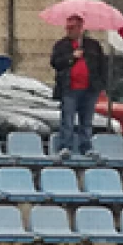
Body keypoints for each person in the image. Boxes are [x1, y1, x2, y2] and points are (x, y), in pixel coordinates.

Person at [48, 14, 107, 160]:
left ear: (81, 28)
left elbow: (102, 65)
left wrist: (102, 84)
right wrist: (71, 57)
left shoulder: (93, 45)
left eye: (72, 27)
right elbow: (55, 63)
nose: (69, 30)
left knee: (86, 120)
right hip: (69, 88)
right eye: (67, 27)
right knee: (67, 119)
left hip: (90, 88)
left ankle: (86, 147)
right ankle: (65, 146)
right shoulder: (61, 45)